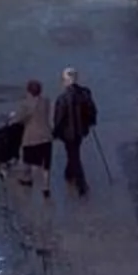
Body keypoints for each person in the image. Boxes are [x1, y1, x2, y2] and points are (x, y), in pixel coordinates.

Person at [51, 67, 100, 196]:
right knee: (74, 152)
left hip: (68, 133)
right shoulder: (85, 93)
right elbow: (92, 110)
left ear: (66, 81)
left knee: (74, 155)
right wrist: (91, 122)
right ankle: (69, 173)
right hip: (81, 131)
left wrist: (55, 132)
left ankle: (81, 183)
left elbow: (59, 118)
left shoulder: (62, 99)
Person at [14, 79, 54, 201]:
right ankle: (46, 187)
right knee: (46, 164)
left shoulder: (26, 104)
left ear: (29, 91)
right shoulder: (46, 101)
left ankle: (28, 179)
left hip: (32, 137)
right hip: (47, 136)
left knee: (30, 161)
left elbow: (19, 119)